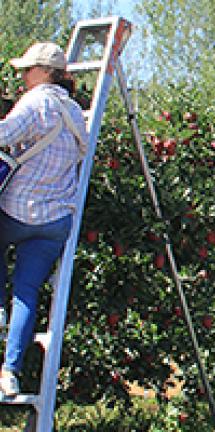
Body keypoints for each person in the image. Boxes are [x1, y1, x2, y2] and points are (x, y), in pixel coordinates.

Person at [0, 42, 86, 397]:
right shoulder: (76, 112)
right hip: (56, 222)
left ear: (42, 72)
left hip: (17, 210)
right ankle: (9, 372)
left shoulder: (35, 103)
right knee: (27, 292)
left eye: (27, 70)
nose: (22, 76)